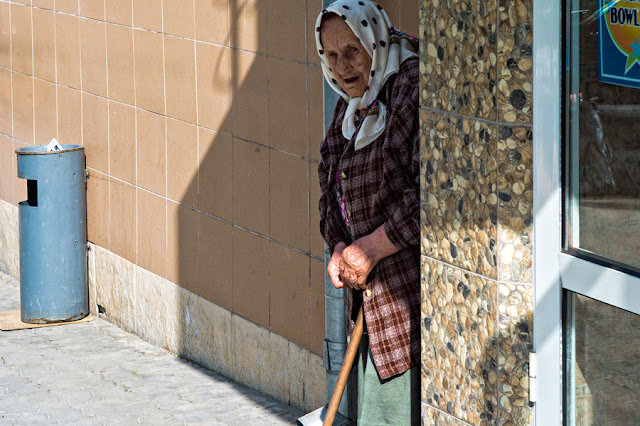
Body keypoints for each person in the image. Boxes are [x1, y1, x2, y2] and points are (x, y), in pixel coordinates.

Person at [315, 1, 421, 424]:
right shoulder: (351, 102)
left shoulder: (409, 88)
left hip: (405, 300)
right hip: (366, 297)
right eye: (332, 55)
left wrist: (373, 248)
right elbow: (328, 183)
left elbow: (431, 193)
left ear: (374, 40)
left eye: (352, 50)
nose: (343, 66)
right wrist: (339, 246)